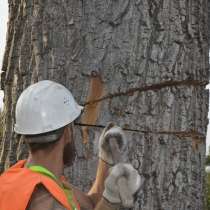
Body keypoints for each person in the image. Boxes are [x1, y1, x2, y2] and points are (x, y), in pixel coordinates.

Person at [0, 80, 140, 210]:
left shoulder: (22, 177)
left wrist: (105, 160)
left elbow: (90, 204)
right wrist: (112, 203)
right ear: (67, 131)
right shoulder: (44, 200)